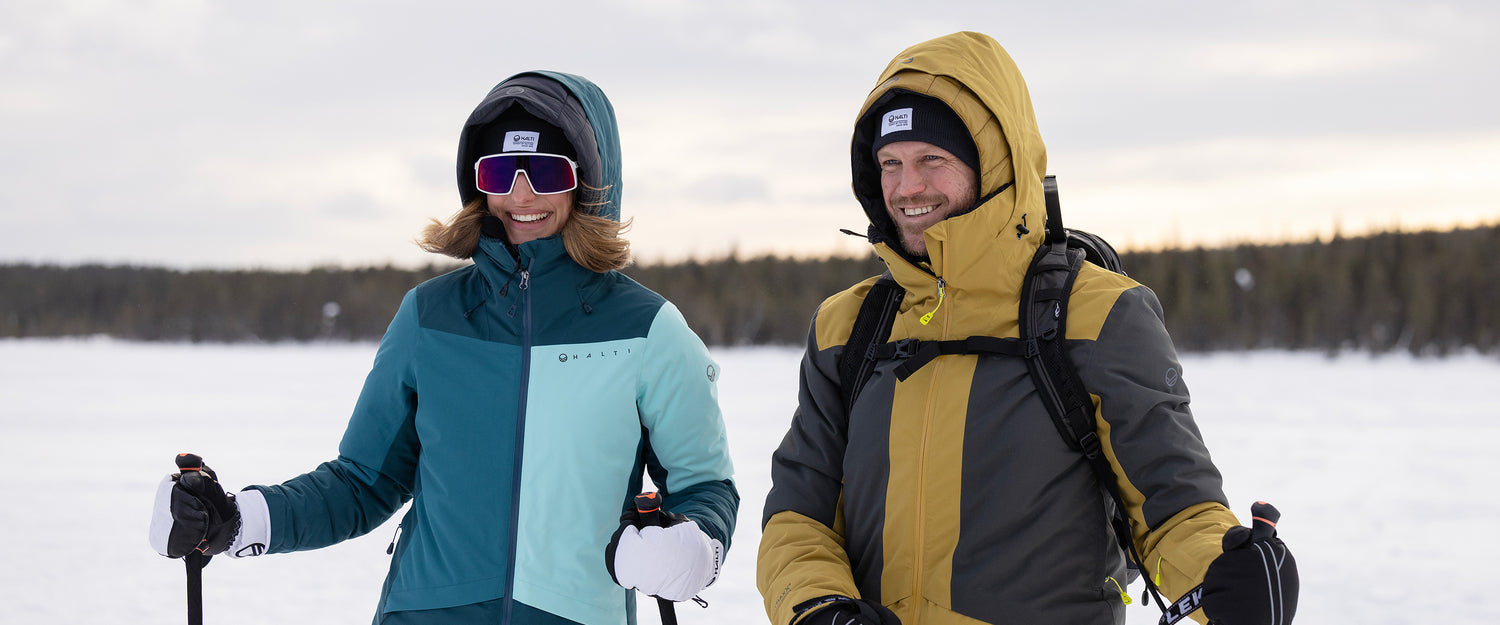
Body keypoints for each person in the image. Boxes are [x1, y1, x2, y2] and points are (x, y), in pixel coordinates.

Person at [150, 71, 739, 625]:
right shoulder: (428, 317)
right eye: (499, 172)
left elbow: (704, 485)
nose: (521, 194)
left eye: (546, 171)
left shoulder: (648, 330)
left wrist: (694, 546)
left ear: (588, 181)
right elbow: (363, 482)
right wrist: (236, 520)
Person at [756, 32, 1297, 625]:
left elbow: (1175, 509)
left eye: (932, 159)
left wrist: (1227, 576)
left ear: (994, 163)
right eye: (891, 163)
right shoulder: (847, 328)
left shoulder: (1098, 314)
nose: (908, 188)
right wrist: (818, 607)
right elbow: (798, 516)